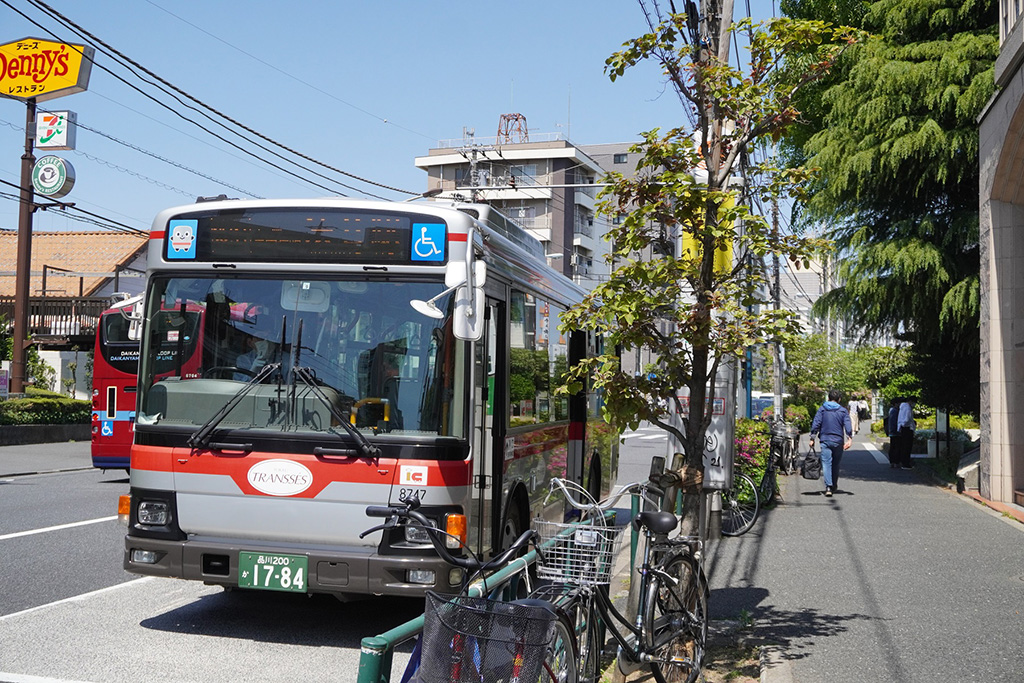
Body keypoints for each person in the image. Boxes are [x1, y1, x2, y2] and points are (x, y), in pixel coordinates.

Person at [809, 389, 854, 497]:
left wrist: (812, 437)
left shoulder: (822, 409)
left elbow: (816, 423)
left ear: (828, 398)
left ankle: (828, 486)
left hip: (825, 440)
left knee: (826, 463)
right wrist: (850, 439)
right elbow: (848, 425)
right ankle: (833, 485)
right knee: (835, 464)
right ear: (839, 399)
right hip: (838, 440)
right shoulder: (843, 411)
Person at [896, 398, 916, 470]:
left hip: (902, 428)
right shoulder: (908, 408)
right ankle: (906, 464)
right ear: (910, 401)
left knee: (903, 446)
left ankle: (903, 462)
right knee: (907, 447)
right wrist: (909, 425)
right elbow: (907, 418)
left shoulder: (902, 407)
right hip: (907, 428)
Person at [886, 399, 901, 468]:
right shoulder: (895, 411)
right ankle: (895, 461)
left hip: (892, 431)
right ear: (895, 404)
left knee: (893, 447)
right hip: (895, 432)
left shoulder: (892, 411)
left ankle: (893, 462)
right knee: (896, 447)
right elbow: (894, 422)